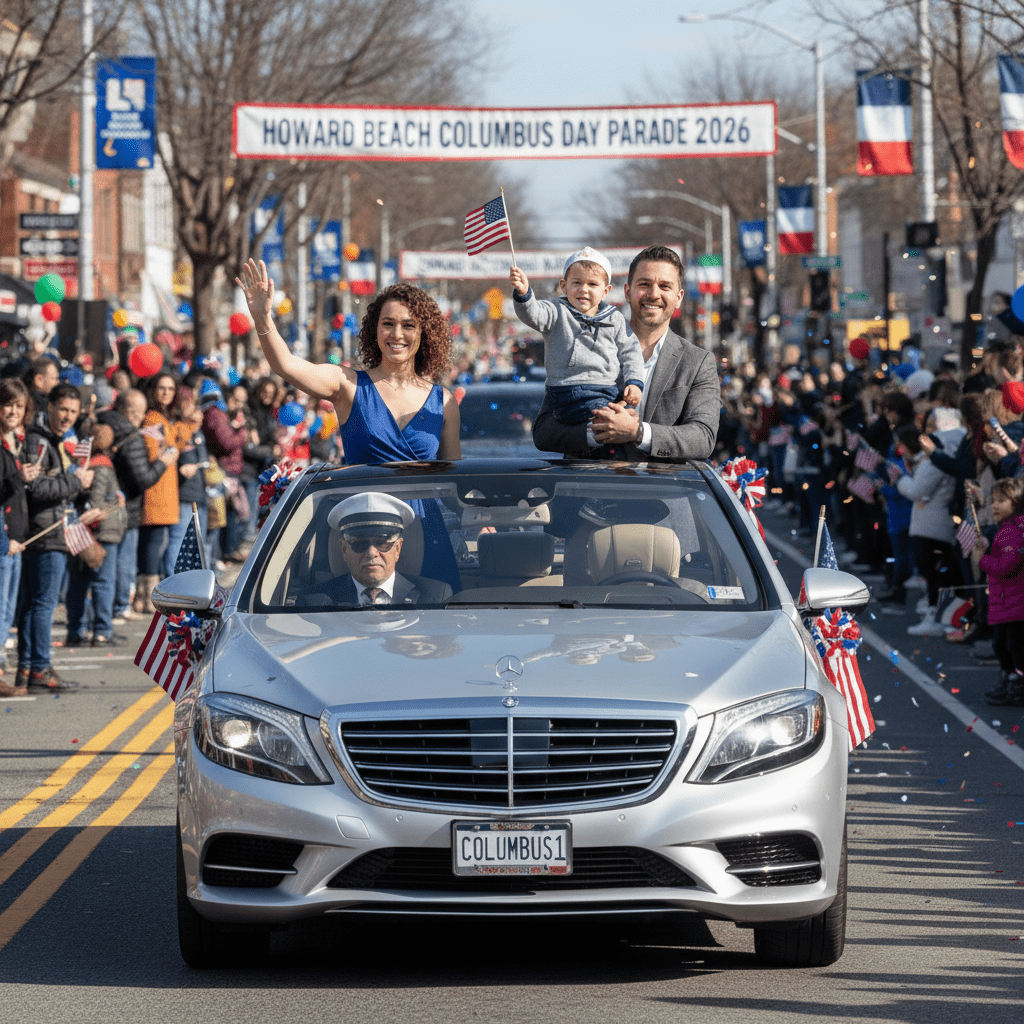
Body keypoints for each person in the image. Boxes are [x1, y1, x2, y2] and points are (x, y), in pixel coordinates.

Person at [236, 260, 462, 589]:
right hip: (362, 535)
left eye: (408, 325)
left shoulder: (444, 402)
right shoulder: (347, 385)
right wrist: (263, 318)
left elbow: (455, 481)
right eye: (388, 324)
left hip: (426, 534)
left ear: (424, 332)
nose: (397, 334)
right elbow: (286, 365)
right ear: (374, 330)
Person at [531, 245, 720, 461]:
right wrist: (597, 432)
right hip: (589, 488)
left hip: (661, 491)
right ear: (628, 292)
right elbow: (543, 432)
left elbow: (703, 438)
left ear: (678, 297)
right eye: (644, 284)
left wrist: (638, 432)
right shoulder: (577, 340)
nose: (653, 294)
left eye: (665, 286)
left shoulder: (698, 362)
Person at [17, 383, 96, 693]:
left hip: (51, 528)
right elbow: (36, 490)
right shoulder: (38, 442)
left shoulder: (58, 441)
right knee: (43, 603)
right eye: (63, 409)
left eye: (73, 412)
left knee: (34, 603)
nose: (67, 417)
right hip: (44, 531)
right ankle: (38, 668)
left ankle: (29, 667)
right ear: (49, 406)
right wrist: (74, 481)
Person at [510, 247, 643, 425]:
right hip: (564, 390)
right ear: (564, 286)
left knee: (626, 417)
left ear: (606, 290)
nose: (583, 289)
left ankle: (601, 439)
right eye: (577, 283)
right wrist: (523, 293)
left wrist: (634, 382)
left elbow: (631, 352)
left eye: (592, 284)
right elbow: (533, 313)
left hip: (605, 388)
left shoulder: (615, 318)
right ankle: (593, 433)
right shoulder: (556, 310)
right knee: (607, 419)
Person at [98, 389, 178, 624]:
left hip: (110, 505)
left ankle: (113, 609)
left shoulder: (104, 424)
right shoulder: (130, 435)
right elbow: (142, 478)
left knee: (110, 565)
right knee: (121, 563)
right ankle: (120, 605)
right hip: (125, 508)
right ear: (131, 412)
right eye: (140, 412)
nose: (143, 418)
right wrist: (163, 462)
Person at [298, 493, 452, 607]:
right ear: (344, 550)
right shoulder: (314, 601)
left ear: (397, 549)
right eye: (359, 543)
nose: (372, 553)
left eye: (382, 542)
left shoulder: (436, 596)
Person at [64, 423, 126, 647]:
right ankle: (101, 630)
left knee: (78, 582)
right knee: (103, 582)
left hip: (83, 530)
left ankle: (75, 630)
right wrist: (96, 520)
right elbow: (96, 502)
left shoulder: (81, 464)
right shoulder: (102, 466)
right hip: (100, 532)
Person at [973, 477, 1024, 706]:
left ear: (1016, 502)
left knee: (1013, 647)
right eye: (993, 500)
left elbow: (1007, 567)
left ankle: (1016, 684)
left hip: (1015, 602)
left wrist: (981, 559)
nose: (994, 505)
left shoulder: (1014, 532)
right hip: (1008, 601)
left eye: (1001, 501)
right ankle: (1009, 680)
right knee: (1001, 645)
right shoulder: (1007, 530)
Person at [0, 379, 35, 695]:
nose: (12, 411)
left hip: (15, 535)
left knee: (8, 608)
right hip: (4, 535)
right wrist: (17, 477)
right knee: (1, 607)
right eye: (7, 404)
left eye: (19, 406)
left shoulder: (16, 442)